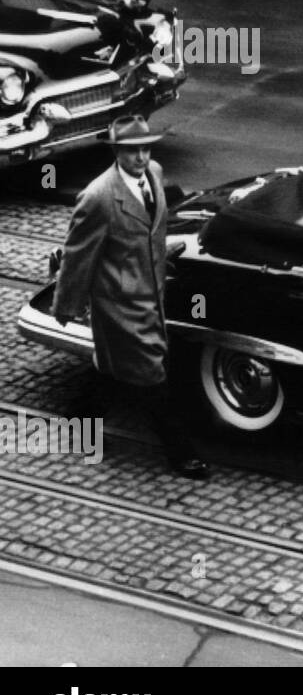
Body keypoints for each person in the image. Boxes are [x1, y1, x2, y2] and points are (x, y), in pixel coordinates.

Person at [51, 116, 209, 480]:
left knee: (111, 368)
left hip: (152, 291)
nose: (140, 157)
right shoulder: (98, 197)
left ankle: (82, 415)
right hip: (119, 303)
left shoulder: (154, 172)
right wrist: (66, 305)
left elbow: (155, 225)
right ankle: (180, 451)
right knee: (152, 373)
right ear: (116, 151)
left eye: (145, 148)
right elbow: (78, 255)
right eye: (131, 150)